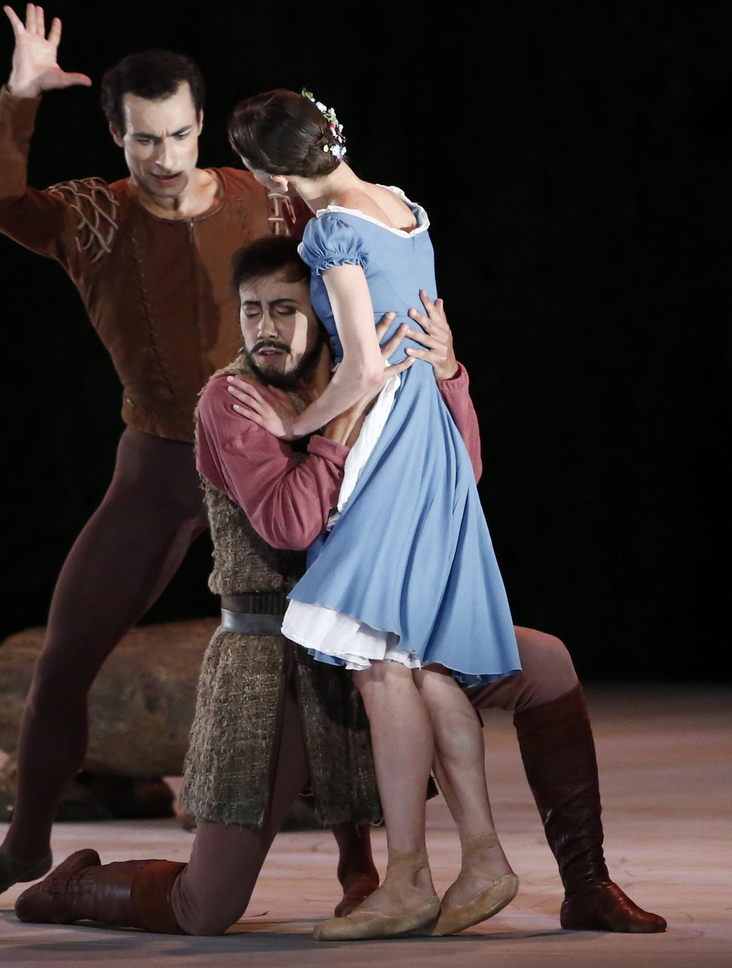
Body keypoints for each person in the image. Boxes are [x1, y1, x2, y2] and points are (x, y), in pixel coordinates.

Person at [11, 237, 667, 936]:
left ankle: (588, 884)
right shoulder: (232, 400)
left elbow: (459, 475)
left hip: (383, 624)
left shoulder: (369, 374)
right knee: (205, 908)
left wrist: (447, 377)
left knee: (548, 663)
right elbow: (292, 524)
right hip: (277, 659)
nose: (265, 327)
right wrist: (342, 424)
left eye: (285, 310)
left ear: (325, 312)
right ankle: (77, 885)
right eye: (252, 310)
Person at [0, 5, 382, 912]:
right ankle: (26, 846)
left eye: (179, 133)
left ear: (197, 124)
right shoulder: (90, 216)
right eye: (145, 139)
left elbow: (356, 223)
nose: (167, 156)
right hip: (156, 468)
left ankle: (358, 865)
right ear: (118, 135)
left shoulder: (265, 197)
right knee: (65, 659)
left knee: (326, 655)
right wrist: (19, 97)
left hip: (269, 460)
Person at [220, 89, 520, 940]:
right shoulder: (399, 205)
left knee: (380, 658)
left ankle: (410, 880)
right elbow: (412, 339)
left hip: (389, 437)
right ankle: (485, 858)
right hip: (431, 435)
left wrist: (293, 423)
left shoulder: (334, 230)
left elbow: (362, 370)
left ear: (270, 171)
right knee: (424, 664)